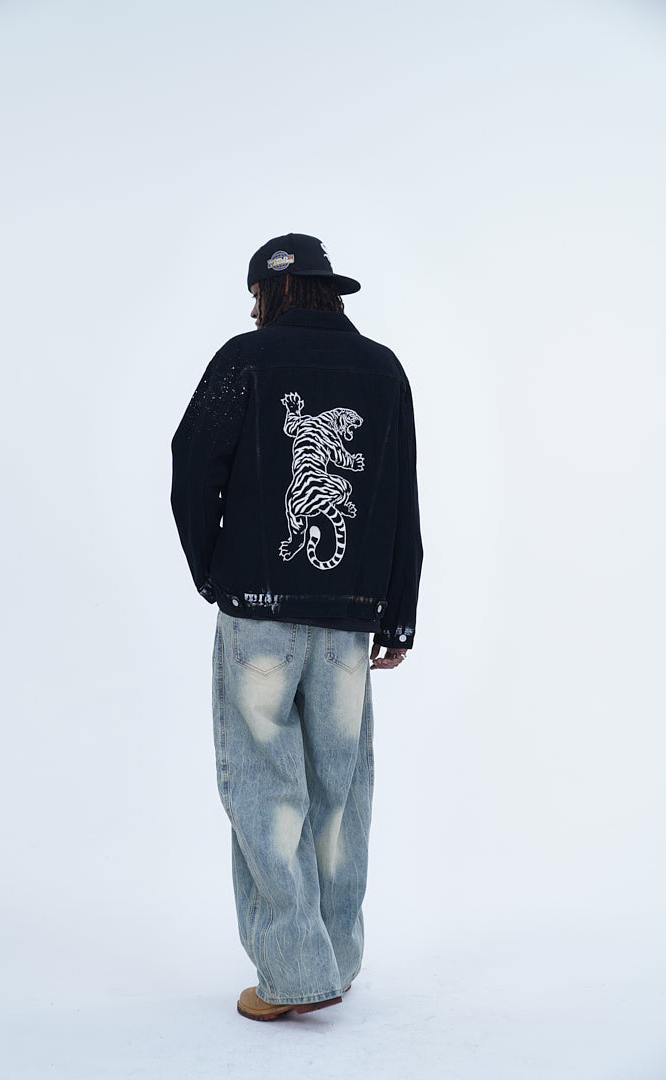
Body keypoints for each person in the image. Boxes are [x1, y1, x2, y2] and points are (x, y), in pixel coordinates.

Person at [170, 233, 422, 1021]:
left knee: (265, 787)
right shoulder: (383, 370)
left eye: (256, 296)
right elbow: (401, 496)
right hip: (349, 620)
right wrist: (398, 613)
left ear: (272, 293)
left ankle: (293, 973)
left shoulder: (243, 360)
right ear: (326, 290)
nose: (253, 310)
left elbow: (190, 467)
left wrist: (213, 573)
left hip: (259, 615)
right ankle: (333, 963)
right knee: (339, 790)